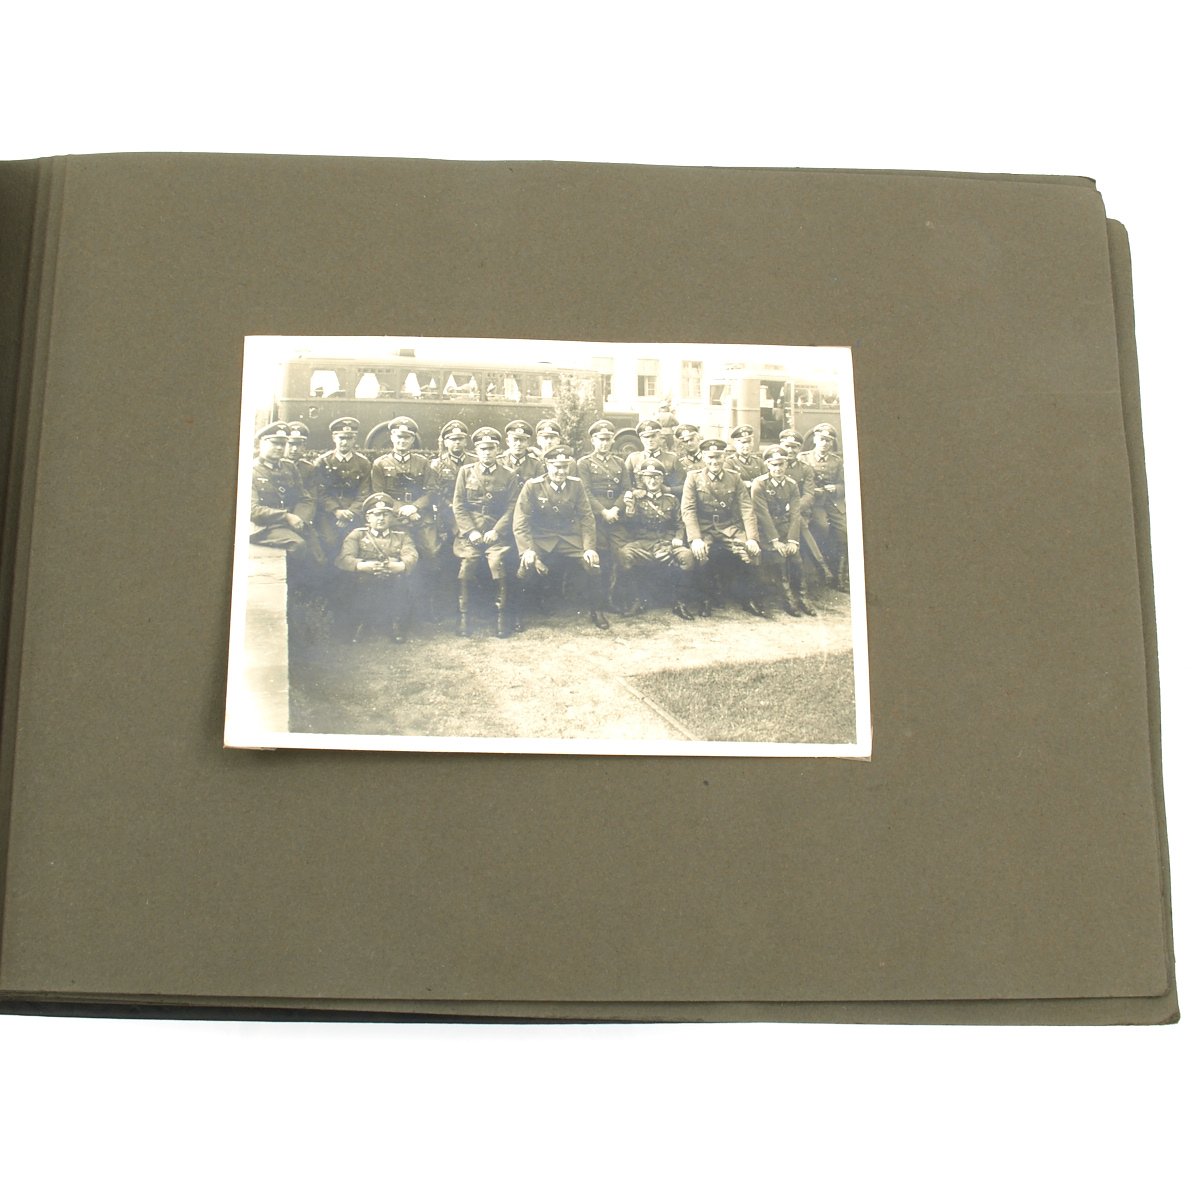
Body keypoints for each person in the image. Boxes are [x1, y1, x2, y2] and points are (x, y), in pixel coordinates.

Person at [512, 445, 609, 630]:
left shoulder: (576, 485)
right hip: (541, 538)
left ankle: (597, 611)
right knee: (525, 565)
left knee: (592, 563)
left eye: (565, 466)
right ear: (547, 466)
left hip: (569, 538)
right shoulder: (533, 486)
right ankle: (517, 614)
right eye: (556, 467)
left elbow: (587, 518)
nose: (561, 471)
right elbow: (521, 520)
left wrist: (589, 548)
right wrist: (527, 550)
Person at [681, 437, 765, 617]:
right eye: (710, 457)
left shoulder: (734, 477)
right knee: (700, 553)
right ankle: (705, 599)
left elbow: (746, 508)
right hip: (704, 528)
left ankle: (748, 599)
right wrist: (695, 538)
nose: (714, 461)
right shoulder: (693, 478)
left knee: (751, 552)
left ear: (724, 456)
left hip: (728, 526)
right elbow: (688, 510)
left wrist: (752, 538)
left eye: (718, 457)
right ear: (703, 457)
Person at [451, 427, 521, 637]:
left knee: (496, 562)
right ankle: (464, 616)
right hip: (470, 532)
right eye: (483, 449)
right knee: (468, 561)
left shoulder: (509, 474)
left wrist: (497, 531)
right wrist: (470, 531)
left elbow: (512, 506)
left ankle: (501, 616)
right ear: (476, 450)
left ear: (497, 450)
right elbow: (459, 505)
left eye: (491, 448)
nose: (487, 453)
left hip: (495, 532)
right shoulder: (466, 472)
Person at [615, 461, 698, 620]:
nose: (652, 481)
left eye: (656, 477)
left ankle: (679, 602)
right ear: (642, 479)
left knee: (687, 557)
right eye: (648, 477)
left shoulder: (672, 499)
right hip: (643, 542)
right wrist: (630, 510)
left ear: (662, 479)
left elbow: (680, 524)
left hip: (666, 541)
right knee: (624, 554)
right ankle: (637, 600)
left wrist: (677, 538)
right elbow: (629, 525)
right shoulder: (636, 499)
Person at [334, 492, 418, 643]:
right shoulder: (357, 535)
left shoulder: (401, 536)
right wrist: (362, 566)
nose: (381, 518)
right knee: (351, 581)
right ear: (368, 517)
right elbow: (344, 558)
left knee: (402, 581)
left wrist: (399, 566)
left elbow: (411, 555)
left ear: (391, 517)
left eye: (385, 514)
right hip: (364, 579)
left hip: (392, 579)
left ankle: (396, 623)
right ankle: (358, 623)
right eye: (377, 514)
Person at [751, 447, 817, 616]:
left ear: (786, 464)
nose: (778, 468)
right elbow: (763, 514)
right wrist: (775, 541)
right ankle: (788, 600)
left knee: (796, 559)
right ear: (767, 465)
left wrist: (792, 540)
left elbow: (795, 514)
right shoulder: (760, 484)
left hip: (784, 528)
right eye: (774, 465)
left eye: (781, 464)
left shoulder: (791, 484)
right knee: (779, 559)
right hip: (764, 531)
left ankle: (802, 597)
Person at [575, 419, 627, 611]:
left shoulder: (620, 463)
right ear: (593, 441)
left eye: (607, 439)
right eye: (600, 439)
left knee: (620, 555)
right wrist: (603, 512)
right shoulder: (584, 463)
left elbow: (626, 489)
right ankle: (597, 601)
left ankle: (613, 598)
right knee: (599, 557)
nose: (604, 443)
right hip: (595, 517)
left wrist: (615, 509)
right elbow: (585, 492)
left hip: (616, 516)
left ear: (612, 440)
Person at [248, 422, 314, 560]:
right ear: (262, 443)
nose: (279, 448)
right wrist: (286, 516)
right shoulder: (251, 470)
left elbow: (304, 498)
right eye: (275, 443)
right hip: (263, 527)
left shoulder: (289, 467)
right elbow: (252, 510)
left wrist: (300, 519)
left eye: (283, 444)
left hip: (290, 523)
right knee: (298, 545)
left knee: (318, 552)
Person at [312, 416, 372, 558]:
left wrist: (350, 512)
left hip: (354, 512)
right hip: (329, 512)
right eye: (341, 438)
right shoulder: (323, 461)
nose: (345, 442)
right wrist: (336, 510)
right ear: (334, 438)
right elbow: (319, 491)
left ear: (354, 439)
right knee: (329, 541)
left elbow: (364, 492)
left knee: (358, 541)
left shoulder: (363, 463)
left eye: (349, 438)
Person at [799, 423, 849, 592]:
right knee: (822, 527)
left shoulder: (837, 461)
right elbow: (800, 483)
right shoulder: (804, 458)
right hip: (815, 502)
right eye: (821, 439)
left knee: (844, 531)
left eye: (828, 440)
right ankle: (819, 569)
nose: (824, 443)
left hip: (833, 502)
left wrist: (836, 488)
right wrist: (814, 491)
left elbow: (845, 483)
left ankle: (840, 577)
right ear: (814, 439)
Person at [624, 418, 686, 498]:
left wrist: (669, 489)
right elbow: (624, 483)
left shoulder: (672, 459)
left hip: (665, 501)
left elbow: (683, 486)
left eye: (653, 436)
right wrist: (634, 491)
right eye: (646, 437)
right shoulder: (633, 459)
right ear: (641, 439)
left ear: (659, 436)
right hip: (640, 501)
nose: (650, 440)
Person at [499, 419, 543, 484]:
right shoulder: (499, 463)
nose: (519, 444)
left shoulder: (536, 465)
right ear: (507, 442)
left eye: (522, 440)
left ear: (528, 442)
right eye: (515, 440)